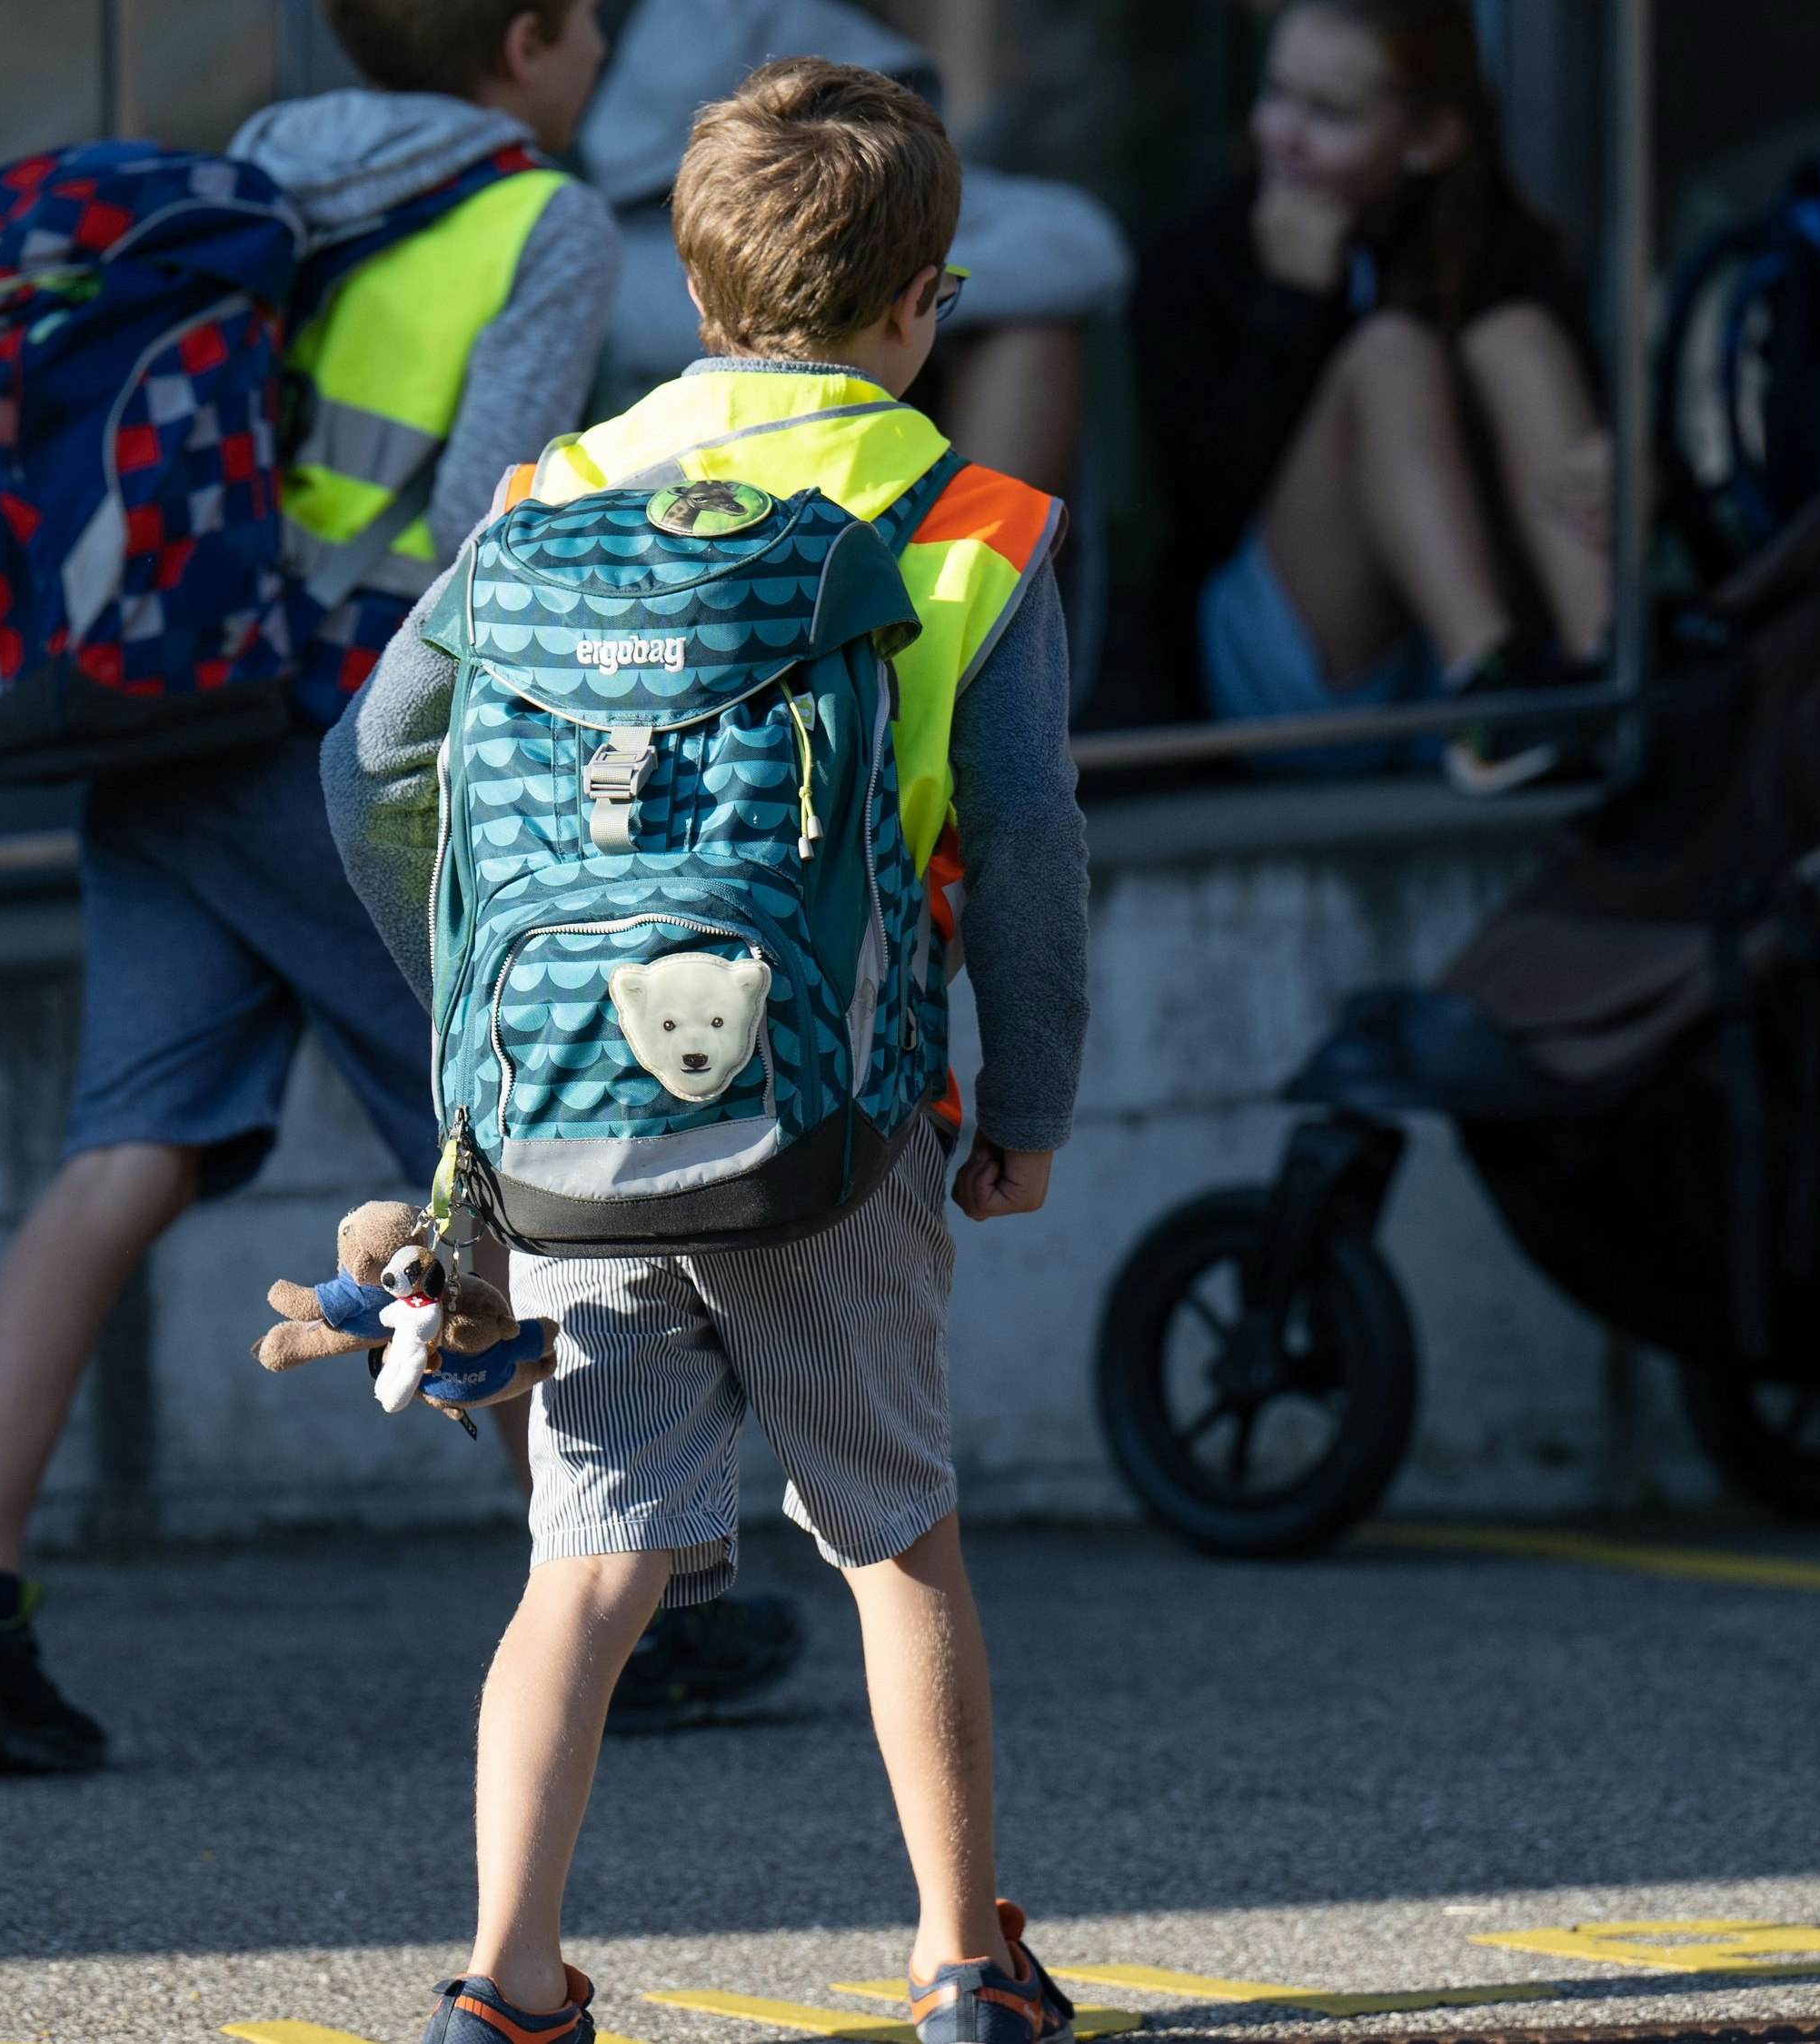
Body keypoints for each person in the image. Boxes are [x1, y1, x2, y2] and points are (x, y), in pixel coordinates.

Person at [0, 0, 793, 1778]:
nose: (607, 53)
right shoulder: (540, 218)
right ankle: (630, 1603)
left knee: (124, 1154)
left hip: (156, 720)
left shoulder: (252, 174)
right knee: (498, 1155)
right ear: (529, 39)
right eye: (593, 24)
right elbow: (491, 530)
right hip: (337, 750)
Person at [324, 57, 1091, 2044]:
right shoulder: (969, 524)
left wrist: (482, 1035)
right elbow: (1023, 846)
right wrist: (1027, 1108)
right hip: (842, 1121)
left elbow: (374, 764)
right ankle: (960, 1965)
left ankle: (503, 1982)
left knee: (582, 1572)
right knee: (896, 1541)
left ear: (690, 282)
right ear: (921, 300)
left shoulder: (547, 499)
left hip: (568, 1129)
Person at [1131, 0, 1610, 789]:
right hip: (1300, 675)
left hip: (1527, 656)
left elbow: (1590, 440)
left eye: (1330, 114)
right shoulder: (1197, 257)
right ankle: (1486, 689)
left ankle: (1606, 665)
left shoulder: (1504, 250)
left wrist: (1630, 472)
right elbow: (1211, 509)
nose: (1283, 135)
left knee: (1517, 338)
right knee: (1391, 352)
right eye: (1277, 95)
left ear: (1432, 139)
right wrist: (1289, 304)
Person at [574, 0, 1129, 498]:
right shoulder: (599, 228)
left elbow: (1079, 241)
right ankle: (998, 539)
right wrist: (892, 287)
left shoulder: (563, 476)